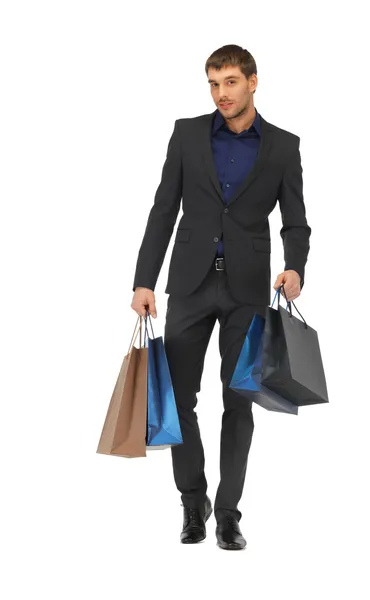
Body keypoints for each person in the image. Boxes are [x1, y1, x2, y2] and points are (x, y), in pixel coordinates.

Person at [130, 44, 311, 550]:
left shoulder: (282, 146)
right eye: (213, 83)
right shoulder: (187, 133)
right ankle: (193, 503)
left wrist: (294, 266)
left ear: (253, 82)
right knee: (177, 401)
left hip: (248, 291)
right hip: (188, 283)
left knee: (238, 401)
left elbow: (296, 222)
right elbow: (163, 208)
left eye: (230, 82)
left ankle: (229, 514)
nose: (220, 93)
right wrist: (144, 279)